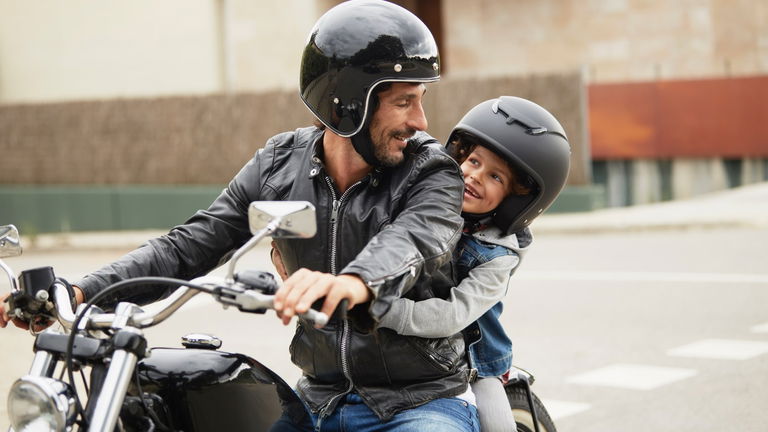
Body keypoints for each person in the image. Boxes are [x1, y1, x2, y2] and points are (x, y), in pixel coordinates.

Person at [2, 1, 477, 431]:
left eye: (420, 100)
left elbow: (413, 240)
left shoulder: (431, 172)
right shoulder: (278, 166)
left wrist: (354, 281)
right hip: (320, 399)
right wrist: (83, 290)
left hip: (419, 402)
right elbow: (190, 244)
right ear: (350, 103)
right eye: (403, 102)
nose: (420, 121)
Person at [377, 96, 571, 432]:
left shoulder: (497, 257)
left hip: (474, 358)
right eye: (475, 162)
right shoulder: (427, 207)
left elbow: (452, 315)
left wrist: (383, 312)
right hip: (413, 349)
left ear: (515, 201)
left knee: (497, 423)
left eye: (496, 177)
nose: (477, 176)